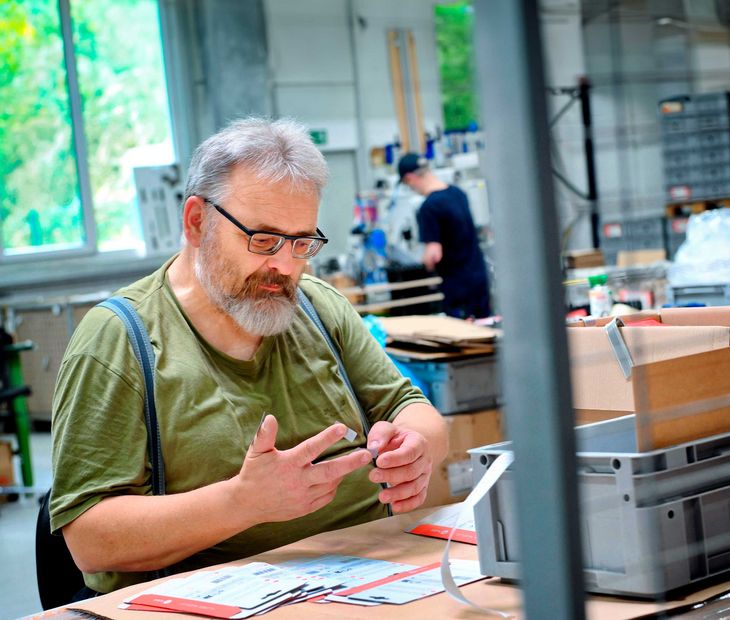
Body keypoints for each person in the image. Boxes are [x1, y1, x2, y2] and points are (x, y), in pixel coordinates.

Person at [50, 117, 448, 595]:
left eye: (302, 244)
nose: (283, 266)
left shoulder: (318, 308)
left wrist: (418, 447)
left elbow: (410, 407)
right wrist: (244, 503)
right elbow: (90, 541)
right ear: (197, 222)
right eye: (262, 240)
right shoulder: (119, 341)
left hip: (372, 581)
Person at [398, 153, 492, 319]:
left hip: (458, 286)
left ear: (410, 178)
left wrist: (425, 261)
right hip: (479, 278)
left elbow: (434, 254)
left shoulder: (429, 207)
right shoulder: (458, 193)